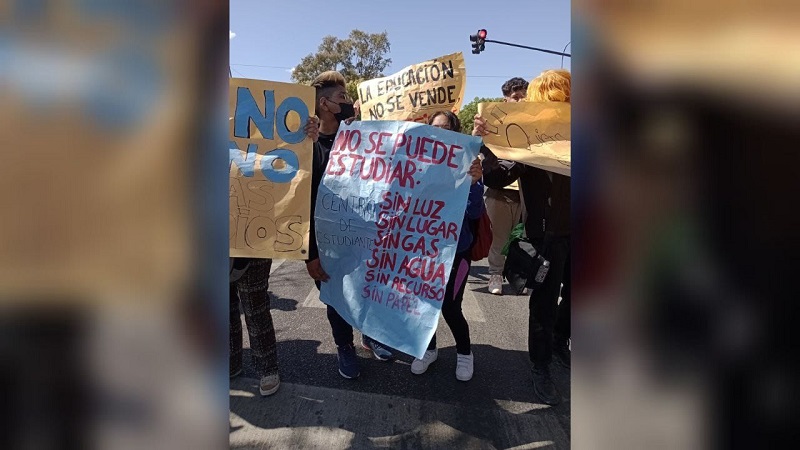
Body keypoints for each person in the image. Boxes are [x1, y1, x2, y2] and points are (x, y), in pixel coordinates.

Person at [475, 69, 571, 404]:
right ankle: (540, 366)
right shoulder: (532, 144)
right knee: (543, 305)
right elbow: (500, 177)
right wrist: (486, 147)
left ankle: (561, 340)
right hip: (545, 238)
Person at [305, 71, 394, 380]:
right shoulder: (306, 145)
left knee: (366, 288)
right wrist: (310, 253)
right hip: (325, 241)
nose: (349, 103)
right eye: (342, 98)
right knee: (336, 295)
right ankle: (345, 346)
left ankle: (370, 335)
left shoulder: (362, 138)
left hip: (363, 235)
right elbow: (300, 201)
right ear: (324, 104)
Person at [230, 116, 320, 396]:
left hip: (253, 232)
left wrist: (307, 141)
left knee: (255, 306)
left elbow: (299, 171)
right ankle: (228, 362)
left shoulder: (256, 119)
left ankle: (267, 368)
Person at [410, 110, 485, 381]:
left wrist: (475, 183)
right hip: (422, 249)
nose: (438, 132)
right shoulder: (417, 162)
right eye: (434, 128)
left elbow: (475, 212)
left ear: (454, 133)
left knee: (451, 307)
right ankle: (428, 350)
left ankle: (465, 354)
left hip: (456, 252)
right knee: (422, 304)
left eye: (444, 128)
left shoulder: (468, 164)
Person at [486, 77, 529, 295]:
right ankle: (495, 275)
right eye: (515, 96)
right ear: (506, 99)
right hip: (499, 195)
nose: (520, 100)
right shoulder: (496, 125)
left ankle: (518, 276)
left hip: (526, 196)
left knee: (518, 239)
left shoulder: (536, 124)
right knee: (500, 238)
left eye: (524, 96)